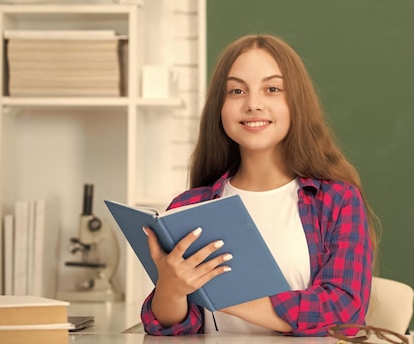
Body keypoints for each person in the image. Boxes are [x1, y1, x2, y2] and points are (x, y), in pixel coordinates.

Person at [140, 34, 378, 336]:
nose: (253, 104)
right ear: (220, 107)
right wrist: (171, 290)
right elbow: (173, 329)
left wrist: (220, 294)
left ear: (296, 103)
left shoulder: (338, 200)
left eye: (272, 89)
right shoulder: (188, 207)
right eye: (237, 91)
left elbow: (343, 312)